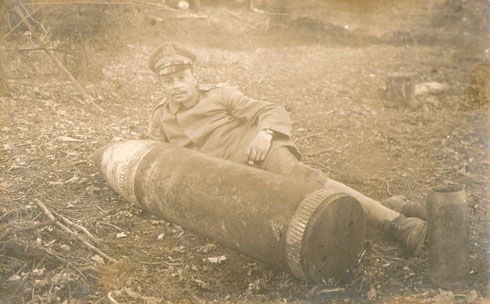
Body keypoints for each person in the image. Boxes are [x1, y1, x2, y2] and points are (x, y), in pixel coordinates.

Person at [147, 41, 427, 257]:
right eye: (168, 81)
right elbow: (159, 158)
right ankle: (386, 207)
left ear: (195, 75)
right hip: (226, 179)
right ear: (160, 84)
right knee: (294, 219)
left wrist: (264, 135)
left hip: (257, 154)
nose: (176, 86)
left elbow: (270, 110)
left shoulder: (220, 94)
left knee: (307, 182)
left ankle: (397, 223)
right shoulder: (160, 117)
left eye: (182, 77)